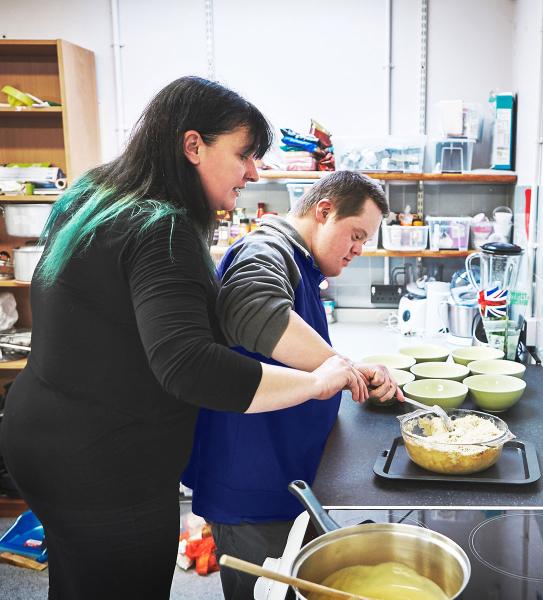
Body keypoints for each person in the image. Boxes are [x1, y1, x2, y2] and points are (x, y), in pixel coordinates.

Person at [0, 76, 368, 600]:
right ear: (193, 145)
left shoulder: (98, 192)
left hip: (44, 438)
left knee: (80, 581)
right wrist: (315, 381)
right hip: (104, 465)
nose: (253, 171)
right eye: (244, 155)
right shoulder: (162, 227)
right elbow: (189, 364)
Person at [182, 170, 400, 599]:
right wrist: (346, 369)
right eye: (356, 235)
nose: (358, 249)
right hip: (252, 489)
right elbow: (252, 309)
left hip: (284, 477)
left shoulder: (301, 262)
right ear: (324, 211)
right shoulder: (265, 248)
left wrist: (349, 369)